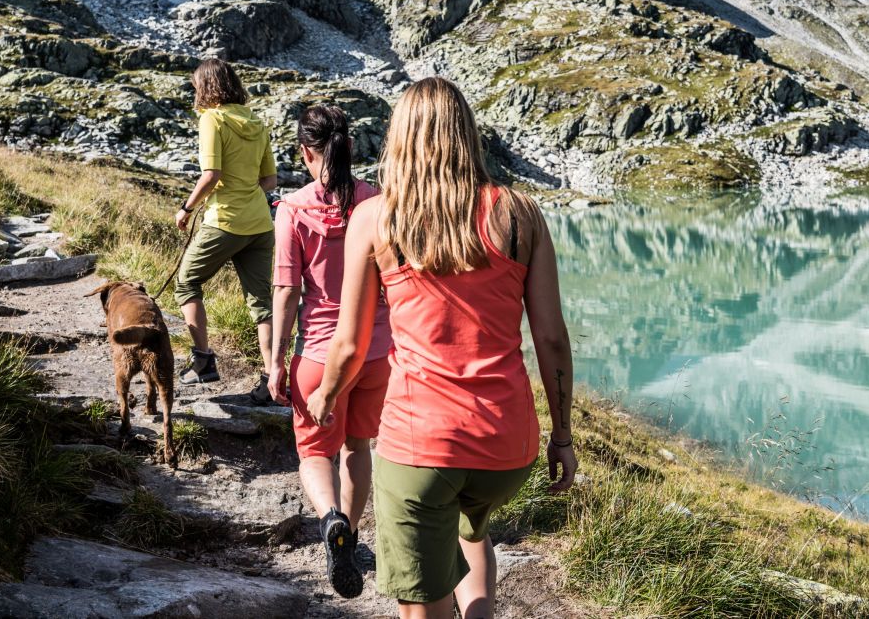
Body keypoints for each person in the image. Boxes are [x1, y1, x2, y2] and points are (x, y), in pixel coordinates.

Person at [308, 77, 577, 619]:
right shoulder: (520, 214)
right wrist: (563, 437)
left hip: (421, 444)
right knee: (470, 529)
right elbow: (550, 338)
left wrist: (326, 397)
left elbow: (350, 343)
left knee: (422, 602)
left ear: (400, 138)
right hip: (507, 446)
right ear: (466, 134)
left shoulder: (376, 218)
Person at [269, 104, 392, 599]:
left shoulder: (294, 209)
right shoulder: (378, 201)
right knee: (358, 447)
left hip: (320, 356)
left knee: (315, 451)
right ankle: (353, 533)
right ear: (351, 148)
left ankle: (330, 522)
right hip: (378, 352)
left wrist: (275, 360)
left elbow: (285, 290)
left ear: (305, 152)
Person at [174, 58, 278, 401]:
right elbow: (269, 180)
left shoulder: (212, 120)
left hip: (225, 221)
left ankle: (203, 362)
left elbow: (211, 175)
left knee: (186, 282)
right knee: (262, 304)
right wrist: (248, 195)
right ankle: (272, 380)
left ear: (205, 87)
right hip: (261, 224)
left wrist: (187, 209)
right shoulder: (258, 123)